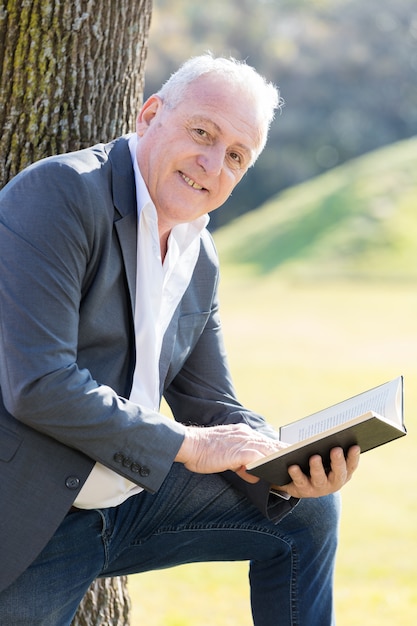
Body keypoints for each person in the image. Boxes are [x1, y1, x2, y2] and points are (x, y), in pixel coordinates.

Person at [0, 54, 360, 625]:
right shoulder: (60, 195)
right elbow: (40, 387)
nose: (212, 163)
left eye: (236, 157)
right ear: (150, 116)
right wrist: (190, 445)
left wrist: (285, 463)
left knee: (305, 514)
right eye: (202, 132)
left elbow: (213, 406)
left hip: (127, 505)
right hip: (30, 517)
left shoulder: (200, 255)